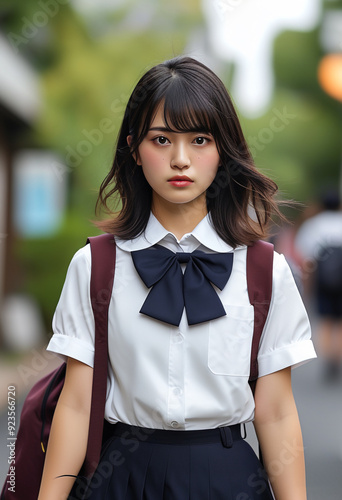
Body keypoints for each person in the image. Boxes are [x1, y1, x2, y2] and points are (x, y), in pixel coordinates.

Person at [38, 56, 316, 500]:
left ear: (223, 149)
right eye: (162, 139)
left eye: (200, 139)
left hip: (229, 480)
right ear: (134, 147)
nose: (181, 159)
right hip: (122, 476)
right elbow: (74, 403)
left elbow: (278, 412)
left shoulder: (265, 271)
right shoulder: (95, 265)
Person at [295, 189, 342, 380]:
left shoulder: (314, 225)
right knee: (339, 322)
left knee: (325, 321)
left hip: (322, 280)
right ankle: (337, 358)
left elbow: (304, 253)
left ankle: (327, 359)